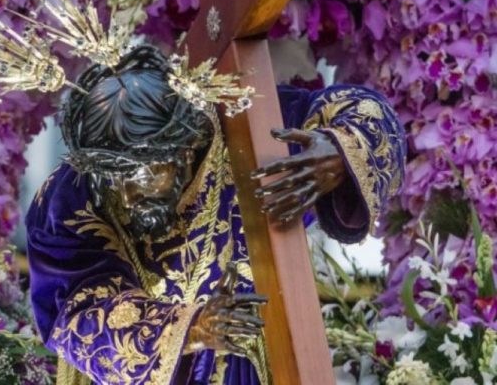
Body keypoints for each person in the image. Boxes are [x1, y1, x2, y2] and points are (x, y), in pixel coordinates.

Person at [25, 44, 406, 384]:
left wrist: (338, 153)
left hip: (264, 360)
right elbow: (74, 312)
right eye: (112, 178)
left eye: (145, 174)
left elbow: (366, 112)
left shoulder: (250, 127)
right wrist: (192, 328)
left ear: (186, 146)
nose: (126, 196)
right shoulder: (68, 198)